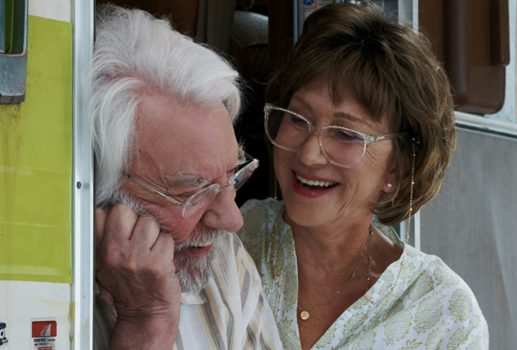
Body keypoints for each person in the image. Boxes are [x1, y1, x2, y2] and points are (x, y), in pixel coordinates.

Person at [237, 3, 489, 349]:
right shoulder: (228, 239)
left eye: (345, 134)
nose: (309, 153)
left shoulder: (442, 313)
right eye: (297, 118)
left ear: (399, 167)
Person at [90, 5, 281, 349]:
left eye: (231, 176)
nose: (233, 220)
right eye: (193, 192)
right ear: (97, 186)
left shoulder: (221, 259)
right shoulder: (33, 295)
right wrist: (147, 325)